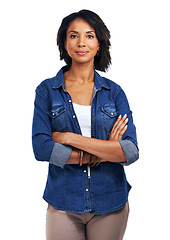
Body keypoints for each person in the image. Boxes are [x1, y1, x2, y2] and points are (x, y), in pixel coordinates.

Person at [32, 9, 139, 240]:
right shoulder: (47, 91)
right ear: (64, 43)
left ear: (99, 44)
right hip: (63, 202)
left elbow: (130, 151)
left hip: (111, 202)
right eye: (74, 35)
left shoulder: (114, 92)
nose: (82, 42)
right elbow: (41, 148)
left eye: (89, 36)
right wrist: (105, 150)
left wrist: (69, 139)